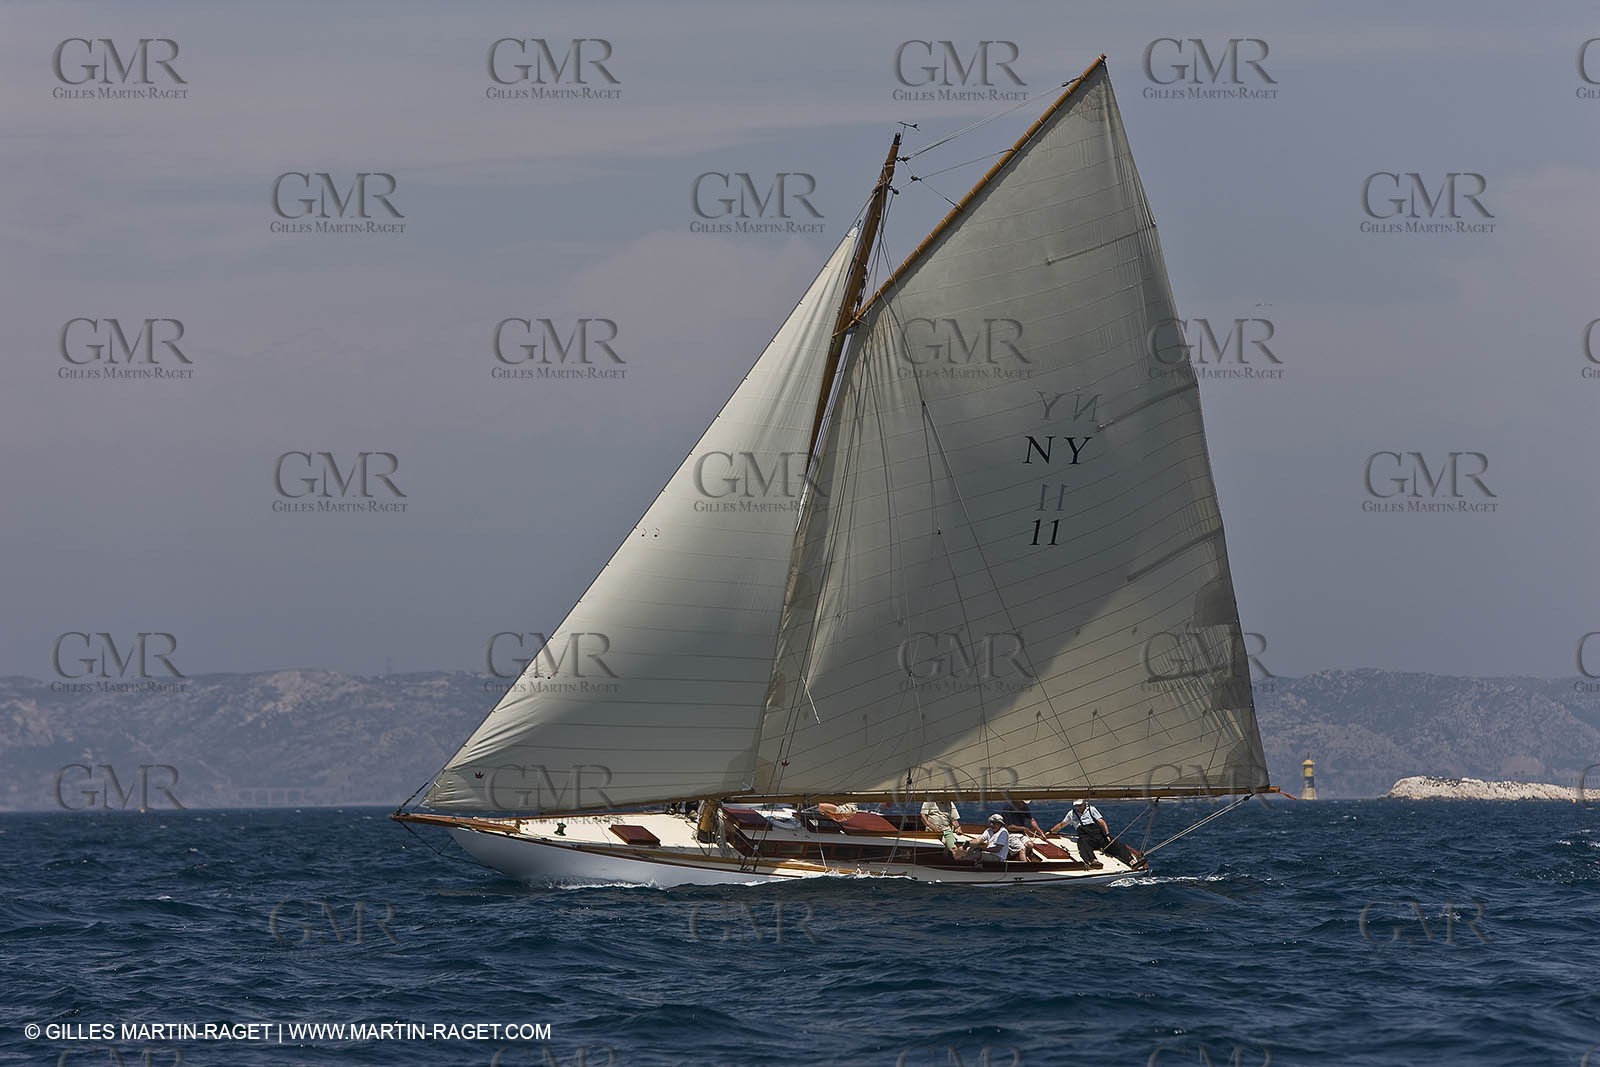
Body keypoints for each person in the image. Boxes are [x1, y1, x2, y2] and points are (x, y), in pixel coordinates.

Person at [1049, 799, 1145, 869]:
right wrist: (1051, 832)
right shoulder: (1071, 814)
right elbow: (1062, 824)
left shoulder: (1091, 809)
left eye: (1079, 805)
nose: (1078, 808)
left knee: (1116, 844)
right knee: (1083, 844)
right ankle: (1093, 861)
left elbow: (1102, 822)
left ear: (1084, 804)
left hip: (1099, 835)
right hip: (1086, 837)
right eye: (1076, 806)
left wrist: (1107, 835)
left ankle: (1131, 862)